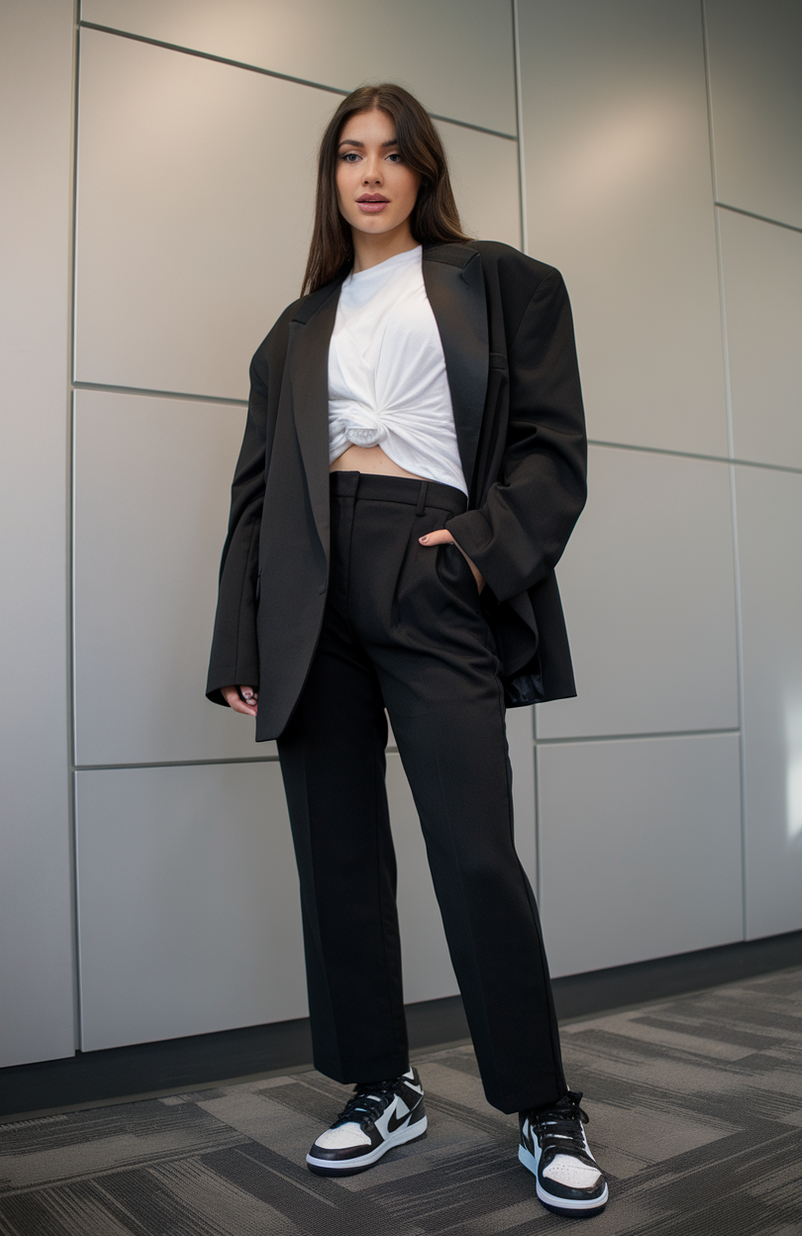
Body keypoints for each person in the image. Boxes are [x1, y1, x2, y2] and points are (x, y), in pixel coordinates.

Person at [207, 83, 607, 1219]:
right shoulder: (292, 333)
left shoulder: (503, 283)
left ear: (423, 170)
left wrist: (474, 554)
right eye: (348, 155)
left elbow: (551, 448)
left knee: (474, 848)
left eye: (392, 154)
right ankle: (381, 1085)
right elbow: (252, 499)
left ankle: (541, 1104)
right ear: (330, 178)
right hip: (306, 587)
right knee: (336, 852)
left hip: (430, 563)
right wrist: (240, 630)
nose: (369, 173)